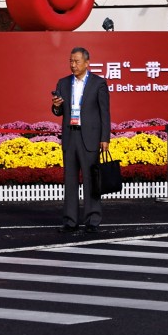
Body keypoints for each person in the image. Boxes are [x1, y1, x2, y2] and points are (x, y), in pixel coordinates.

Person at [51, 47, 111, 234]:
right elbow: (58, 112)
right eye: (71, 61)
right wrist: (55, 106)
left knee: (91, 180)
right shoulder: (63, 83)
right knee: (70, 180)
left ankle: (93, 219)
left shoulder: (98, 83)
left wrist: (104, 138)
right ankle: (70, 220)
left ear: (87, 63)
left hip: (90, 137)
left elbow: (104, 113)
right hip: (70, 136)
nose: (73, 65)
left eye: (76, 61)